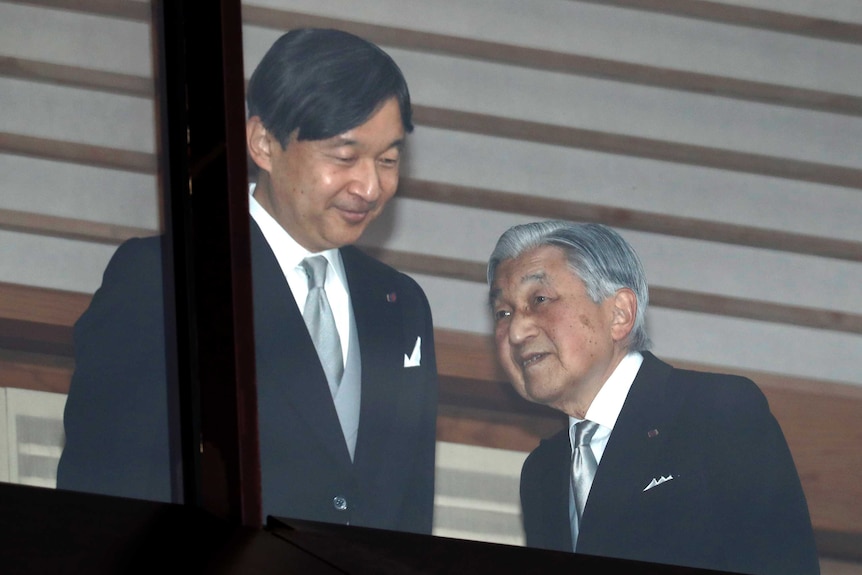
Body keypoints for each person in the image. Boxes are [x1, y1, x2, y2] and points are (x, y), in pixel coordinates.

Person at [57, 28, 438, 534]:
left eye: (388, 160)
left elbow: (409, 512)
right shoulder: (168, 281)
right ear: (263, 143)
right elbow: (103, 496)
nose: (370, 186)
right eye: (345, 157)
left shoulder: (402, 305)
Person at [487, 220, 818, 574]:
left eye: (539, 300)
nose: (517, 331)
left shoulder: (717, 412)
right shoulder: (542, 472)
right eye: (503, 313)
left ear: (619, 314)